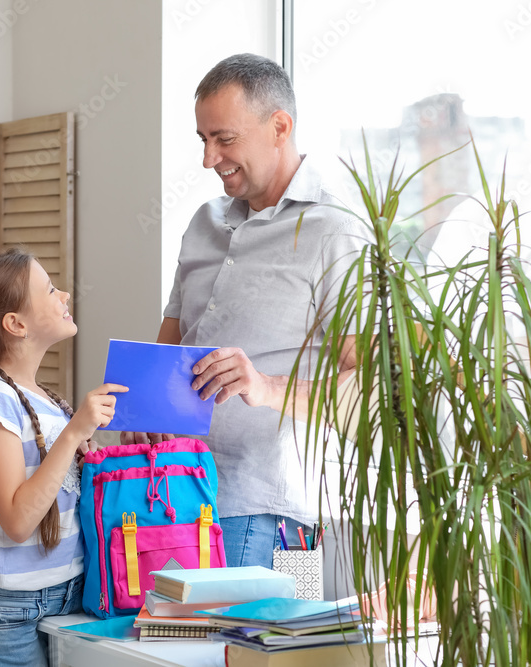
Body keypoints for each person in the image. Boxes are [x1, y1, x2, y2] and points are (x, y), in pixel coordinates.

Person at [123, 53, 368, 568]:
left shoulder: (336, 231)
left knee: (270, 648)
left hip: (279, 519)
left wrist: (265, 386)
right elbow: (171, 339)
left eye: (224, 139)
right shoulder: (204, 222)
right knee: (181, 649)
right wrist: (143, 411)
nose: (209, 159)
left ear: (280, 126)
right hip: (171, 497)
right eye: (203, 140)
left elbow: (365, 386)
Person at [0, 249, 127, 667]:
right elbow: (17, 521)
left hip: (72, 592)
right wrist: (73, 435)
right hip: (14, 608)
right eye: (50, 289)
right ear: (16, 324)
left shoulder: (48, 402)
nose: (65, 293)